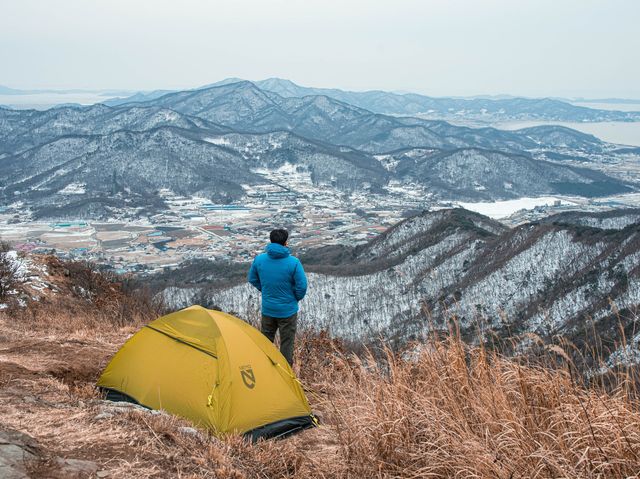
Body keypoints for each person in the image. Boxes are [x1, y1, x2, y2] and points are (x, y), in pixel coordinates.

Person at [248, 228, 307, 365]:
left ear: (271, 241)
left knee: (265, 341)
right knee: (287, 343)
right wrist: (293, 298)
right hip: (287, 310)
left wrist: (265, 290)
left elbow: (252, 278)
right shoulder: (294, 262)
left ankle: (262, 367)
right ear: (285, 243)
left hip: (268, 308)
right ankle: (285, 374)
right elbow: (302, 286)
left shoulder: (260, 259)